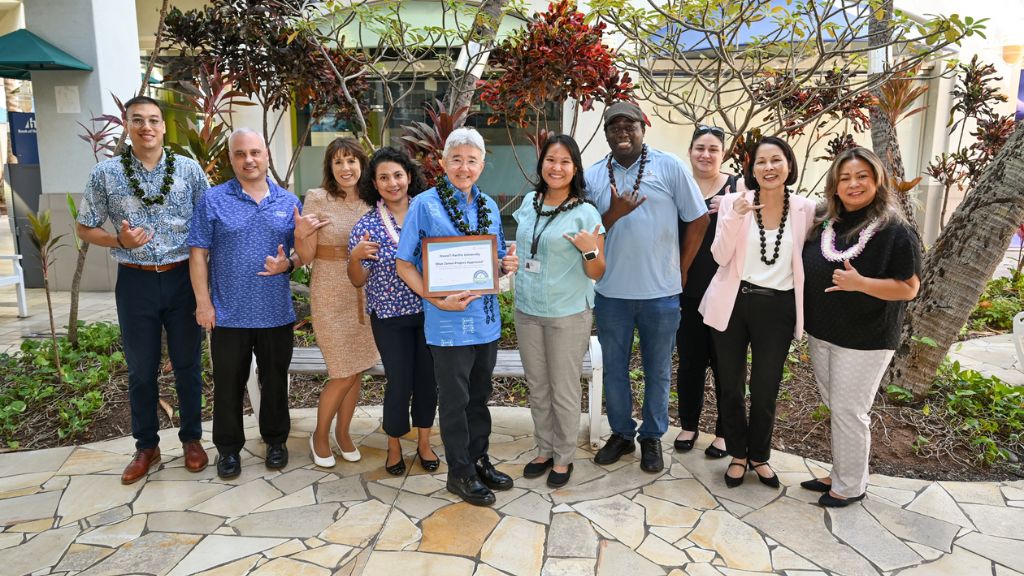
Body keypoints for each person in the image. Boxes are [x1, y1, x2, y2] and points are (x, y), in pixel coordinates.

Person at [76, 95, 211, 484]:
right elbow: (84, 227)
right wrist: (120, 242)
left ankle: (192, 440)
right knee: (140, 369)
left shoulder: (188, 169)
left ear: (164, 126)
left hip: (183, 277)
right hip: (135, 281)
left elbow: (207, 221)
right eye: (138, 120)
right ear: (127, 125)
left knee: (188, 364)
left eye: (153, 120)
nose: (147, 127)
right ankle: (146, 446)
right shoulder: (105, 174)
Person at [396, 127, 519, 506]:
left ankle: (479, 460)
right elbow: (404, 265)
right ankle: (460, 473)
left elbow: (491, 265)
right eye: (456, 159)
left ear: (482, 165)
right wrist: (437, 299)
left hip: (485, 321)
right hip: (447, 323)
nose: (464, 167)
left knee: (479, 399)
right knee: (453, 402)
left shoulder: (487, 206)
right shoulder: (424, 205)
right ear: (443, 162)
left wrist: (505, 265)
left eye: (471, 160)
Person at [584, 101, 709, 473]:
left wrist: (683, 269)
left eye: (630, 125)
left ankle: (652, 436)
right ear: (606, 133)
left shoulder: (669, 167)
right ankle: (621, 433)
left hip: (661, 294)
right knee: (615, 369)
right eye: (614, 126)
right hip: (611, 293)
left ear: (643, 127)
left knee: (657, 370)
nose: (622, 131)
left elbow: (699, 219)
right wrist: (614, 213)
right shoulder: (592, 176)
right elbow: (588, 236)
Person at [188, 128, 319, 479]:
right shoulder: (213, 200)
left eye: (255, 153)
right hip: (228, 314)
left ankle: (276, 442)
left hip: (275, 313)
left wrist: (289, 263)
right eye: (240, 154)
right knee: (227, 384)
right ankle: (228, 450)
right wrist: (204, 303)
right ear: (230, 159)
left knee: (275, 382)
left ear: (266, 156)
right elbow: (198, 254)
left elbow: (303, 254)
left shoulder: (288, 202)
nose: (249, 160)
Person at [800, 147, 920, 507]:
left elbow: (910, 287)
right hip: (822, 332)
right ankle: (842, 472)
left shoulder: (896, 231)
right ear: (834, 186)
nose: (853, 184)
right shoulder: (826, 222)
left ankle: (850, 486)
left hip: (865, 338)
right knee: (836, 406)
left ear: (877, 181)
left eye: (862, 177)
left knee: (850, 410)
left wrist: (862, 284)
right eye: (845, 178)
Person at [699, 136, 816, 488]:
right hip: (733, 302)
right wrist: (733, 217)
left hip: (778, 306)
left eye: (776, 160)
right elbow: (719, 257)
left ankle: (759, 455)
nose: (768, 167)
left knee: (766, 387)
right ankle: (737, 453)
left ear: (789, 166)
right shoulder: (735, 201)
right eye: (761, 161)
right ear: (751, 168)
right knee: (730, 384)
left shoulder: (806, 209)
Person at [515, 135, 605, 488]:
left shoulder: (586, 212)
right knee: (537, 386)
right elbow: (524, 248)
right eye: (551, 160)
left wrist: (589, 251)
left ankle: (564, 457)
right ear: (542, 165)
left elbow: (598, 271)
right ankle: (545, 447)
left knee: (563, 388)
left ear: (575, 169)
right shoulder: (528, 202)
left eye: (565, 161)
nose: (557, 167)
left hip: (567, 313)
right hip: (527, 309)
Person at [346, 147, 438, 475]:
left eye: (398, 175)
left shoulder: (428, 213)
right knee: (399, 381)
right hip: (389, 316)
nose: (392, 182)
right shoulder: (367, 224)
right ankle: (395, 444)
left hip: (430, 311)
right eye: (383, 177)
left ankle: (425, 442)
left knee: (428, 380)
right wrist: (356, 257)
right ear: (374, 182)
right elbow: (358, 281)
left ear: (409, 177)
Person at [294, 138, 380, 468]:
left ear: (362, 163)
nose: (345, 168)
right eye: (338, 162)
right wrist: (301, 234)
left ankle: (343, 434)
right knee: (342, 371)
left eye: (351, 161)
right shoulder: (317, 198)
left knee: (356, 370)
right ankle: (319, 435)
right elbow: (305, 257)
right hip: (330, 290)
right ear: (330, 167)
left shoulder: (374, 201)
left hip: (364, 291)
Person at [674, 124, 744, 459]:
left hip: (725, 294)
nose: (706, 154)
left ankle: (725, 432)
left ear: (724, 153)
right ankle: (689, 424)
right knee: (690, 363)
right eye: (700, 148)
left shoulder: (738, 188)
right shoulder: (678, 186)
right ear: (690, 151)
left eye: (713, 149)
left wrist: (729, 207)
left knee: (726, 365)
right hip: (686, 292)